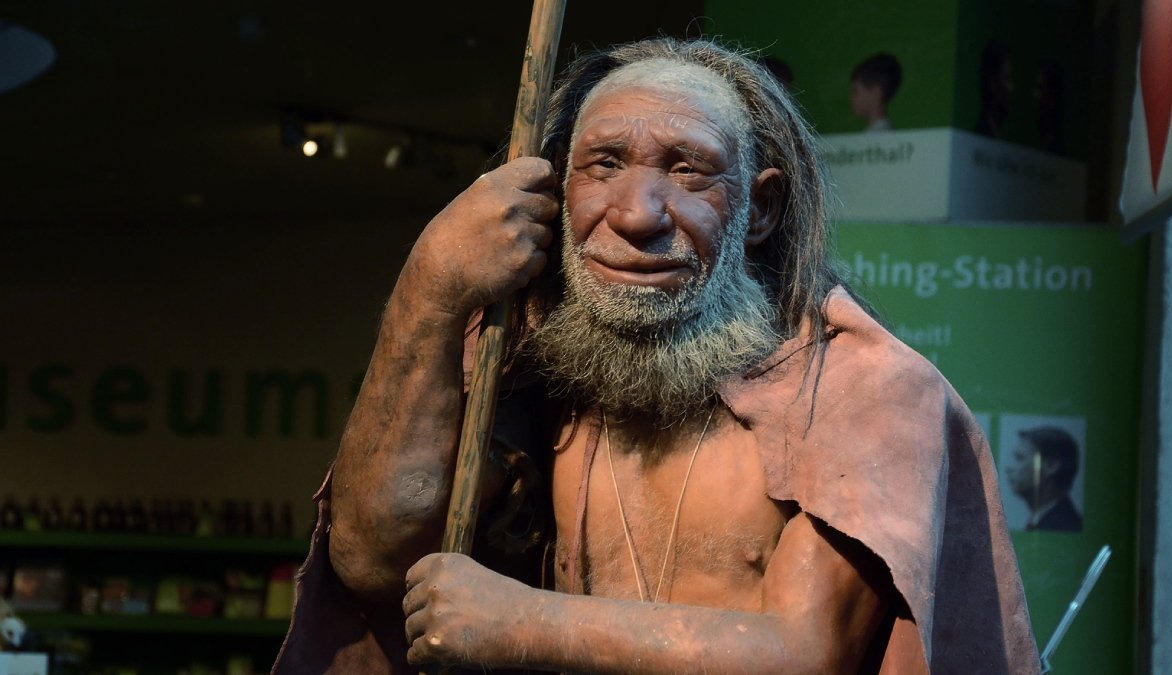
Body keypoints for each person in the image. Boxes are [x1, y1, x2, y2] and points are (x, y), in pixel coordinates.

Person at [275, 38, 1038, 674]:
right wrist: (431, 286)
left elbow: (807, 652)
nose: (638, 214)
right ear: (558, 192)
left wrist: (516, 620)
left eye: (687, 169)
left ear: (761, 208)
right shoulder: (531, 363)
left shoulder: (861, 388)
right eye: (604, 164)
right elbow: (373, 559)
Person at [1006, 426, 1083, 532]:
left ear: (1051, 465)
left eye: (1020, 458)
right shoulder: (1043, 520)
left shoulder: (1066, 526)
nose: (1008, 468)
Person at [849, 52, 902, 131]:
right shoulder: (872, 133)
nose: (851, 98)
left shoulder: (881, 135)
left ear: (876, 92)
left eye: (856, 91)